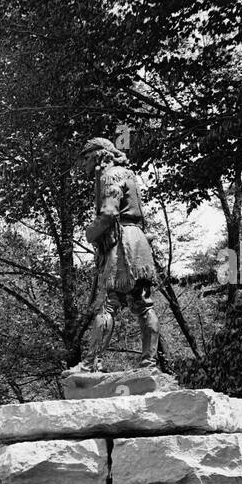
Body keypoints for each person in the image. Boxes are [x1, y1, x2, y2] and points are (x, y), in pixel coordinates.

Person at [74, 136, 161, 372]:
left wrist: (91, 232)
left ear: (100, 155)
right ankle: (149, 364)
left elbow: (110, 212)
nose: (83, 165)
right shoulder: (128, 174)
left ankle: (92, 364)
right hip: (139, 240)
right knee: (143, 304)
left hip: (122, 242)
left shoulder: (109, 175)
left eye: (86, 158)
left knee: (107, 305)